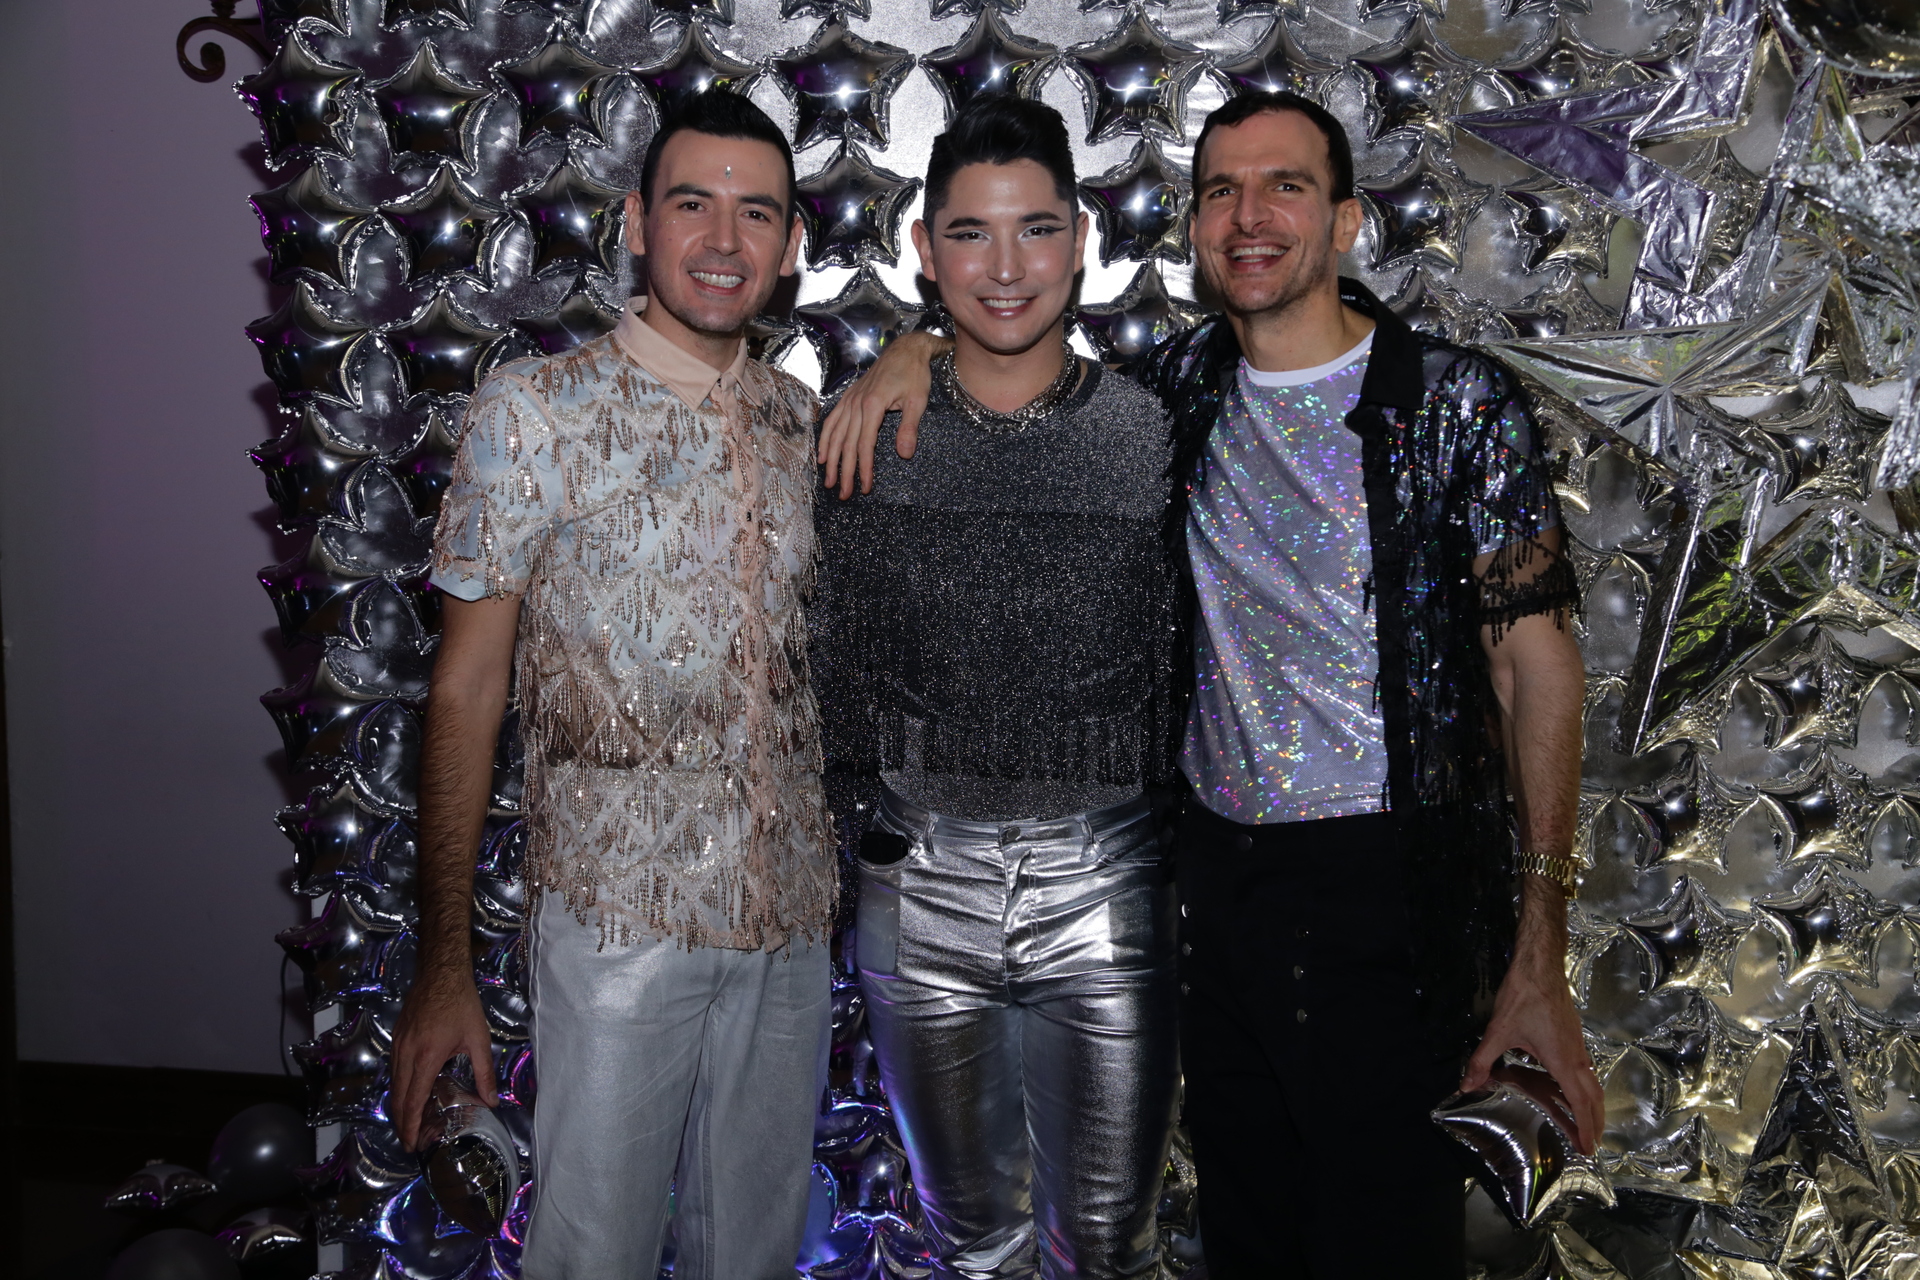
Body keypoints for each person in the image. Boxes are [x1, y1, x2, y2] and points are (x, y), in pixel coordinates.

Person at [818, 90, 1602, 1278]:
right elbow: (1016, 363)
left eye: (1286, 185)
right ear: (1191, 227)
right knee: (1244, 1236)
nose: (1250, 214)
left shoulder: (1454, 403)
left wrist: (1540, 936)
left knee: (1385, 1241)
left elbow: (1534, 663)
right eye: (1222, 190)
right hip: (1219, 892)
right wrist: (916, 345)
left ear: (1346, 221)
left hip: (1388, 895)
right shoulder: (1180, 394)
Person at [389, 91, 833, 1280]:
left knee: (758, 1255)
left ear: (792, 244)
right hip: (615, 928)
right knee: (592, 1256)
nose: (724, 241)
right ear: (638, 223)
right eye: (693, 205)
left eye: (757, 213)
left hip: (792, 927)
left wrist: (922, 348)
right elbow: (465, 692)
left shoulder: (802, 423)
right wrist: (445, 965)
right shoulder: (532, 414)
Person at [810, 94, 1180, 1279]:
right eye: (971, 233)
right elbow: (835, 671)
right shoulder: (868, 436)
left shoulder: (1157, 428)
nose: (1006, 267)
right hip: (918, 885)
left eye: (1035, 230)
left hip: (1107, 878)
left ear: (1080, 240)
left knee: (1107, 1247)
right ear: (926, 250)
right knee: (969, 1246)